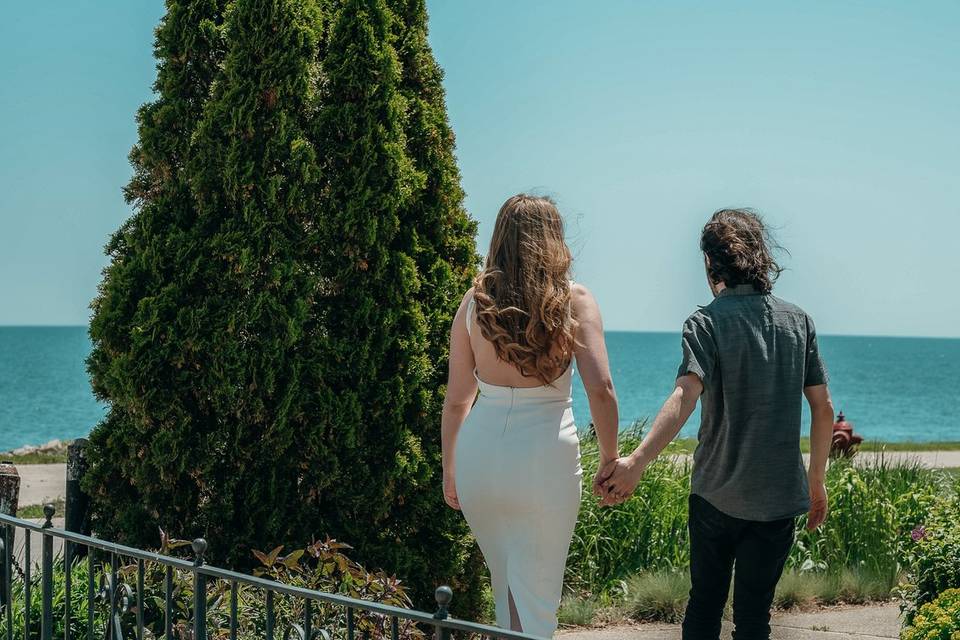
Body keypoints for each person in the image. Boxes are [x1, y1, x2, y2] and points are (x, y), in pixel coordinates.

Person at [598, 209, 834, 640]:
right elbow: (823, 408)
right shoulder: (798, 322)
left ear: (712, 265)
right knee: (754, 620)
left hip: (715, 496)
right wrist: (816, 481)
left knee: (704, 609)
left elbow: (686, 395)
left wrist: (636, 461)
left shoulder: (706, 323)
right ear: (761, 258)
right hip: (779, 499)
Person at [441, 194, 620, 638]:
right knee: (536, 599)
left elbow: (457, 400)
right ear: (554, 240)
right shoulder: (574, 301)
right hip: (544, 460)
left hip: (479, 459)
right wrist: (610, 458)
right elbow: (601, 389)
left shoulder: (473, 302)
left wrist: (450, 470)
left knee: (506, 589)